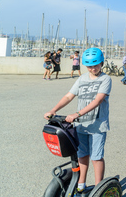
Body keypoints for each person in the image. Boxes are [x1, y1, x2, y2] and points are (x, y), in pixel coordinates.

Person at [44, 47, 112, 194]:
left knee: (96, 157)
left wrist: (77, 114)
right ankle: (81, 184)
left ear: (101, 63)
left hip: (98, 126)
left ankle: (99, 188)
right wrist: (54, 110)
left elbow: (98, 100)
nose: (93, 68)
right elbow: (69, 96)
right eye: (89, 66)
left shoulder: (106, 79)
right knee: (82, 155)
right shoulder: (82, 79)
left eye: (96, 65)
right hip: (81, 126)